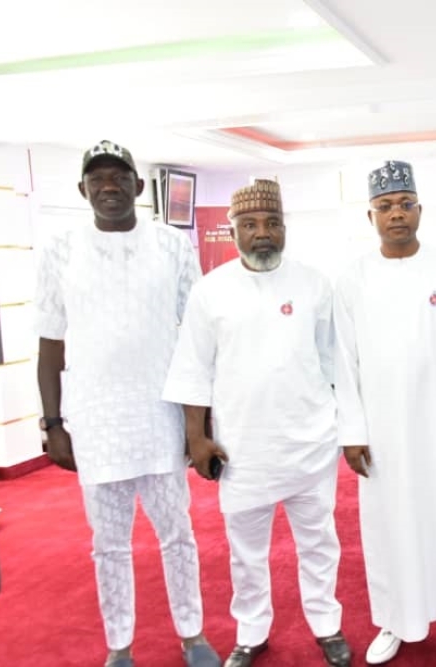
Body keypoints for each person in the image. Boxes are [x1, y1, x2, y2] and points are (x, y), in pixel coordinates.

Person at [34, 140, 219, 667]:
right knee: (108, 545)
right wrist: (53, 423)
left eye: (119, 177)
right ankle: (120, 646)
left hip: (160, 416)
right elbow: (50, 343)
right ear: (82, 190)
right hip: (96, 423)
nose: (108, 186)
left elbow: (198, 336)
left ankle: (193, 636)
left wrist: (198, 422)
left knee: (177, 535)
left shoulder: (171, 245)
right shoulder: (60, 249)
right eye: (98, 179)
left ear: (140, 187)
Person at [162, 179, 352, 667]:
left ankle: (327, 625)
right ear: (233, 231)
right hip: (241, 448)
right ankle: (251, 632)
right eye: (250, 225)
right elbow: (192, 369)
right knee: (246, 553)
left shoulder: (314, 283)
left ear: (285, 228)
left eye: (271, 224)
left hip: (310, 443)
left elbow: (335, 363)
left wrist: (342, 424)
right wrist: (197, 439)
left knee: (320, 543)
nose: (262, 233)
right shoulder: (210, 291)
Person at [333, 160, 436, 667]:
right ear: (370, 216)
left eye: (404, 205)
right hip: (381, 430)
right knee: (386, 524)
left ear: (419, 209)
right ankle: (394, 621)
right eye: (385, 207)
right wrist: (353, 430)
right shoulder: (353, 277)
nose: (396, 214)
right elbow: (344, 359)